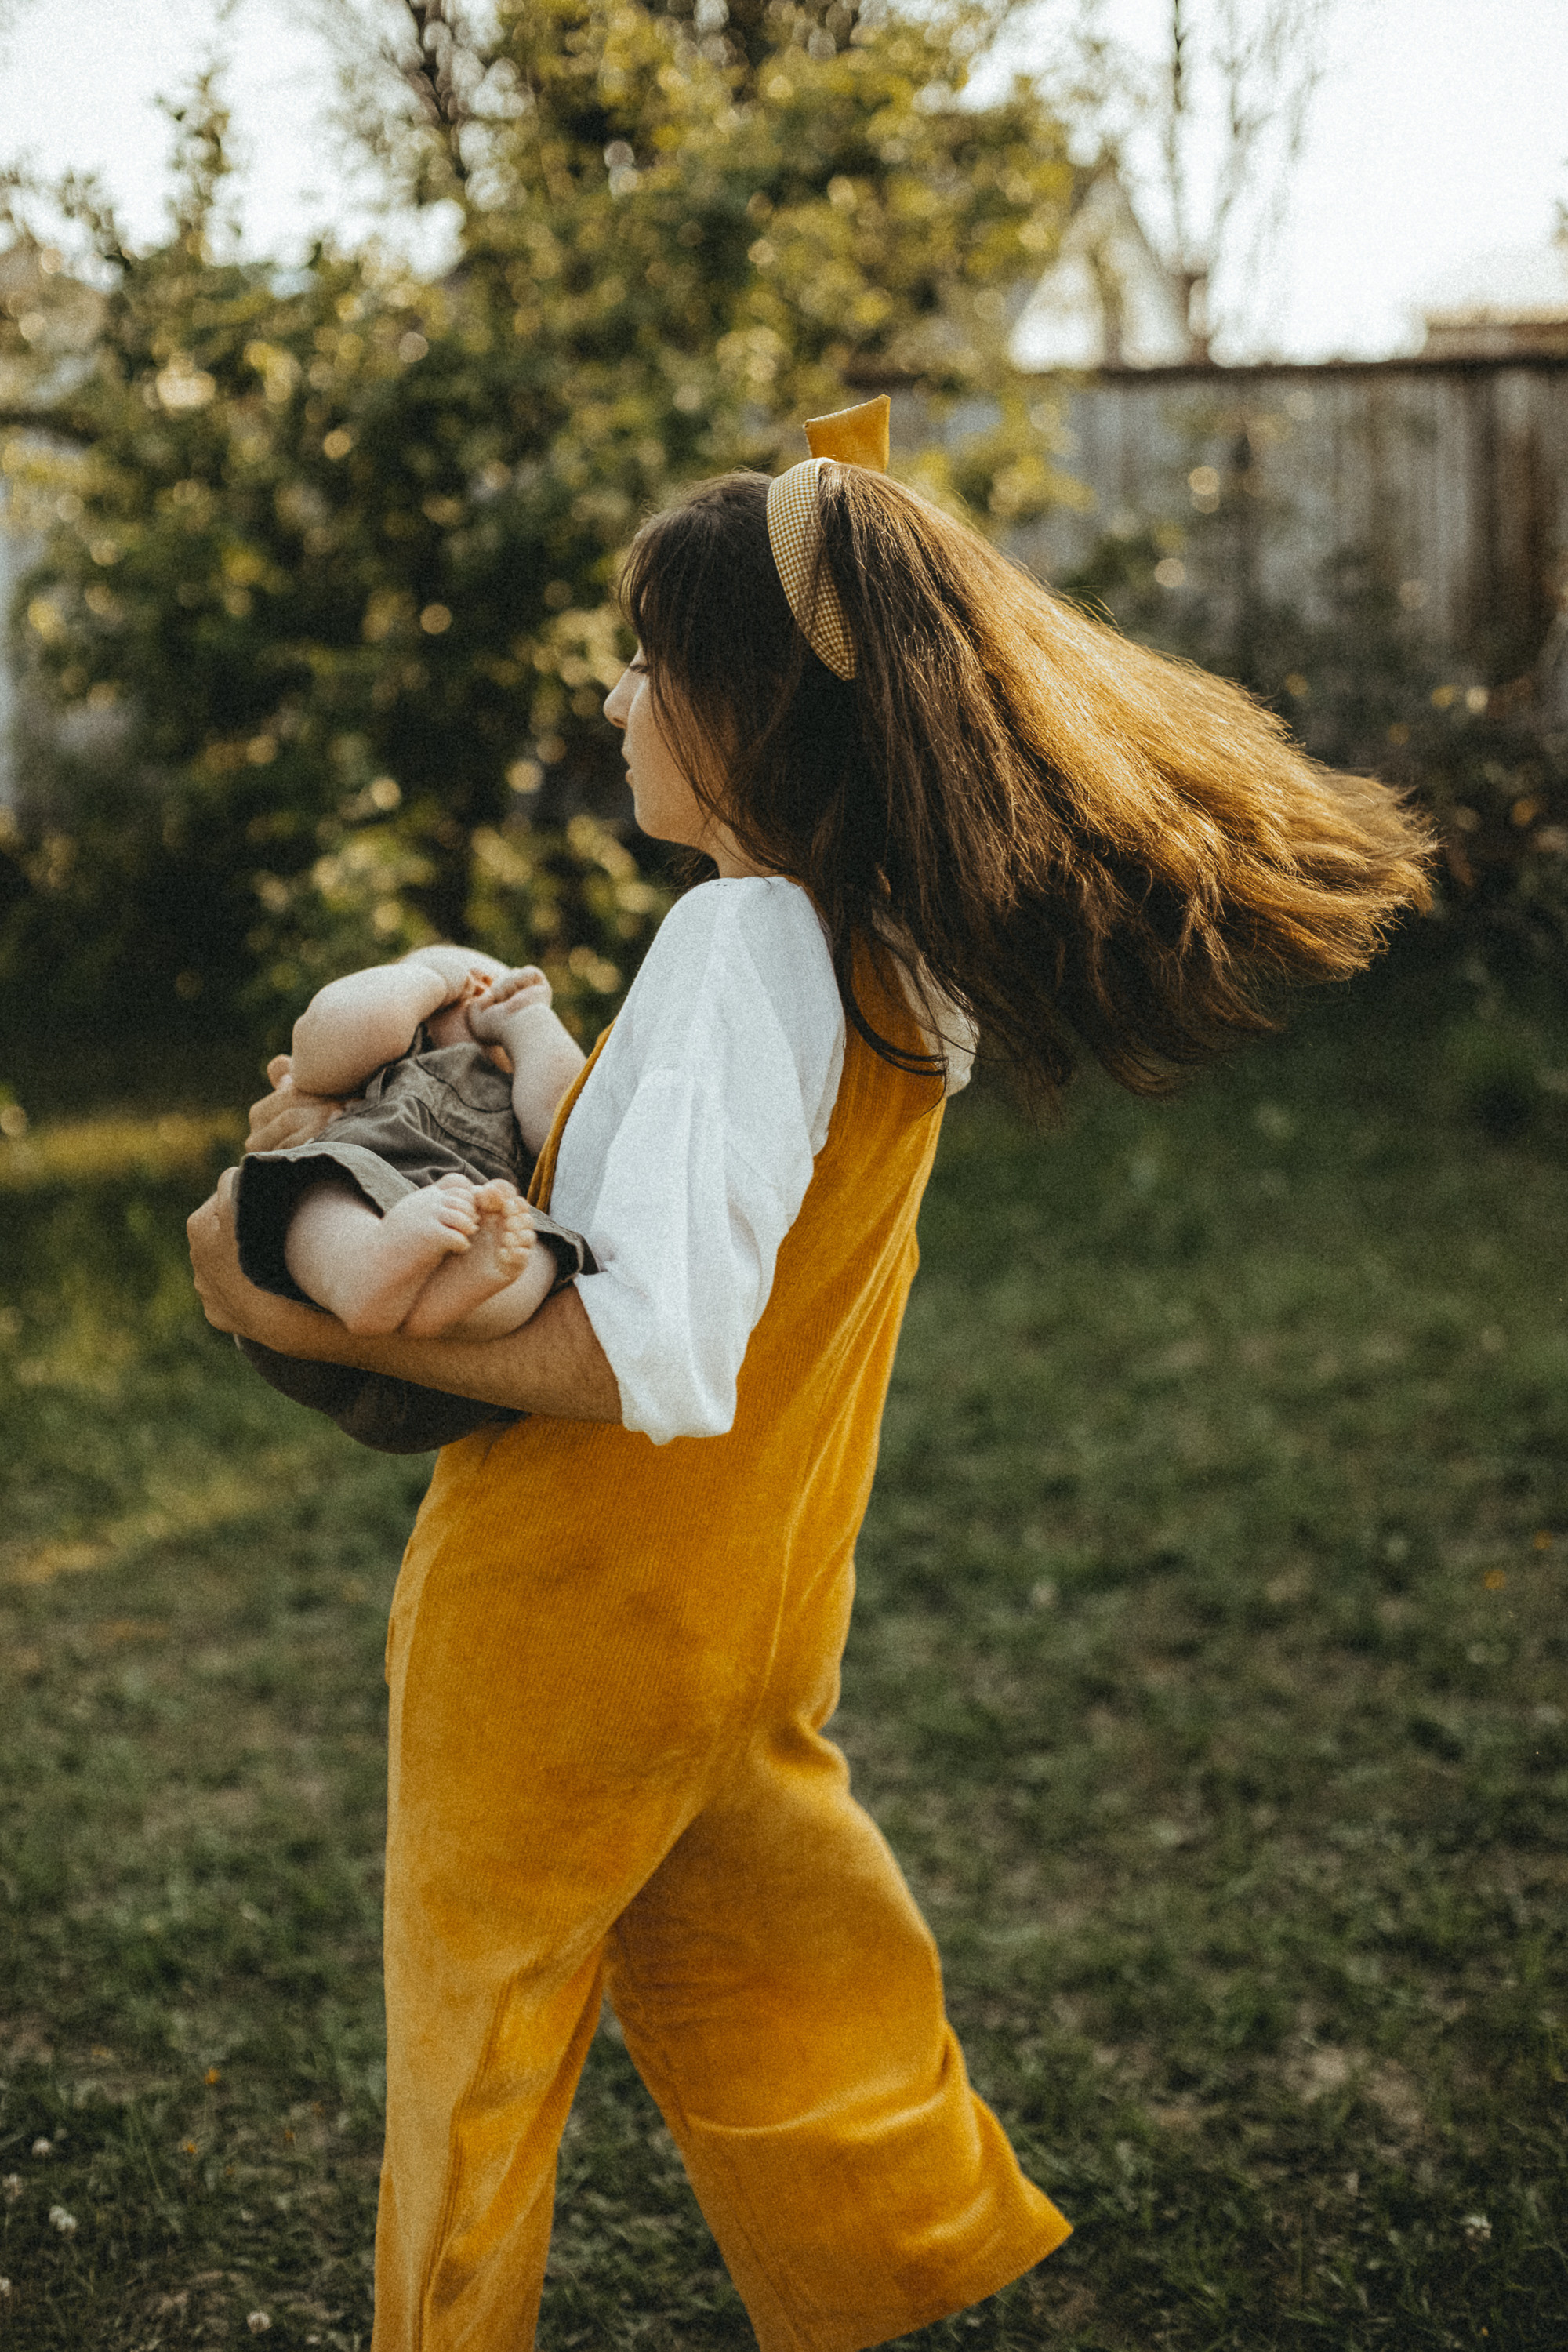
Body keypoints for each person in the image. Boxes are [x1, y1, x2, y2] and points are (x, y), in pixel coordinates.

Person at [188, 396, 1432, 2352]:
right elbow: (720, 1222)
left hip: (569, 1617)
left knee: (479, 2047)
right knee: (789, 1975)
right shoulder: (885, 955)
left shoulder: (733, 942)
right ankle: (893, 2273)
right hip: (749, 1617)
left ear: (743, 713)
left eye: (647, 663)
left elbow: (652, 1339)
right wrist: (540, 1077)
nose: (613, 696)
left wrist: (287, 1280)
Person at [232, 945, 593, 1453]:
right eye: (470, 988)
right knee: (318, 1189)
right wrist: (432, 977)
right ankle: (364, 1267)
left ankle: (455, 1295)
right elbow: (335, 1027)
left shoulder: (515, 1101)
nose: (480, 994)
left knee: (539, 1250)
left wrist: (529, 1023)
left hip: (466, 1374)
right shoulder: (363, 1073)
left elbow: (568, 1131)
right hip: (345, 1267)